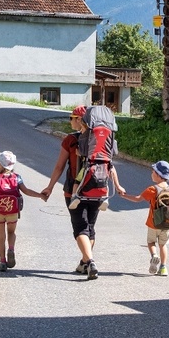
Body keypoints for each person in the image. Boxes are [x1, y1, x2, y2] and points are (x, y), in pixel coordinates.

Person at [42, 106, 126, 280]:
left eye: (72, 118)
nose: (70, 121)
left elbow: (59, 166)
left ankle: (91, 262)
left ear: (81, 120)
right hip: (98, 189)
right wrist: (117, 186)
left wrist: (49, 187)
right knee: (90, 228)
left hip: (75, 190)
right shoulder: (103, 141)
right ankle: (84, 263)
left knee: (80, 228)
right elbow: (110, 165)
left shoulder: (71, 140)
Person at [0, 151, 44, 272]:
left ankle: (2, 261)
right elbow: (26, 191)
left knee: (1, 237)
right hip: (13, 211)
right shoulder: (17, 178)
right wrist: (40, 195)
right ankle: (11, 248)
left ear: (0, 164)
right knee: (11, 232)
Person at [119, 160, 169, 276]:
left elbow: (137, 199)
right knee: (163, 245)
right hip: (168, 223)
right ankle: (163, 268)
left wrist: (124, 196)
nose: (151, 174)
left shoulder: (153, 189)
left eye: (153, 172)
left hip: (153, 223)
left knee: (151, 242)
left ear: (158, 175)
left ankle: (154, 255)